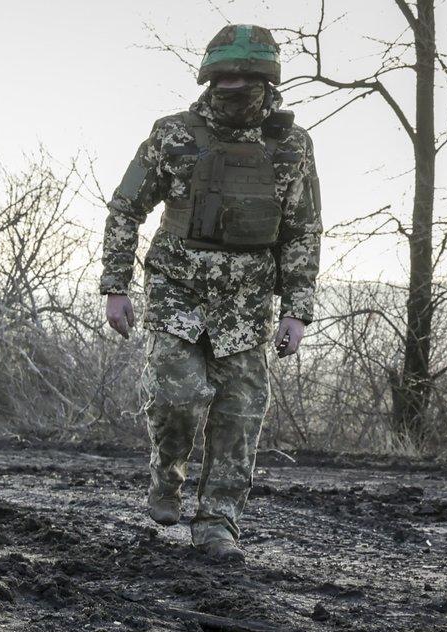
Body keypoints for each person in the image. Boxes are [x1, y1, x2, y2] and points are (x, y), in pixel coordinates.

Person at [99, 24, 321, 561]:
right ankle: (166, 476)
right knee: (176, 400)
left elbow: (302, 230)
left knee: (240, 415)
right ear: (209, 76)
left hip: (247, 304)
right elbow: (126, 209)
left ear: (267, 79)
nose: (235, 84)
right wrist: (115, 286)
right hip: (177, 292)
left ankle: (218, 522)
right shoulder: (172, 134)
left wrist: (297, 311)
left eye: (246, 75)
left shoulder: (291, 146)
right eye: (225, 74)